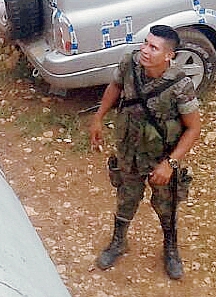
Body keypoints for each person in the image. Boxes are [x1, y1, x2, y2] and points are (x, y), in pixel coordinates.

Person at [89, 25, 202, 280]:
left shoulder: (180, 84)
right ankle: (119, 242)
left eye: (153, 47)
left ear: (168, 56)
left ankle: (171, 249)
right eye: (145, 43)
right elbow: (115, 87)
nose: (145, 51)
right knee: (126, 198)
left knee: (166, 206)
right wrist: (98, 118)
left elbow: (193, 128)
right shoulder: (130, 63)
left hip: (160, 157)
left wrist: (170, 164)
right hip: (129, 151)